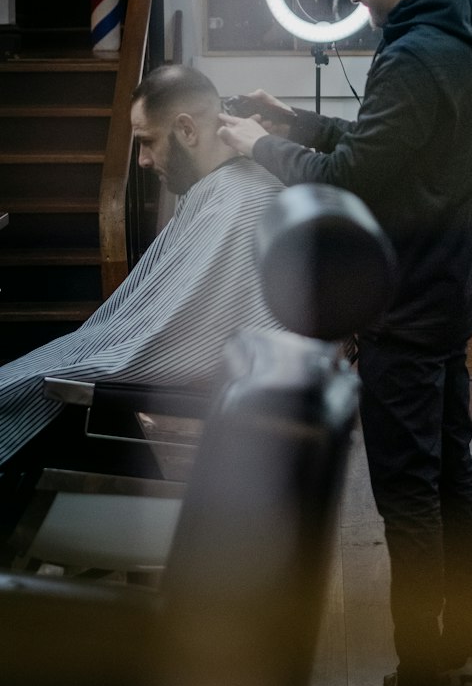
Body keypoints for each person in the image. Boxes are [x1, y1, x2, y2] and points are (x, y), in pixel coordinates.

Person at [218, 0, 472, 686]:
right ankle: (457, 666)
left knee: (411, 500)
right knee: (451, 479)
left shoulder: (412, 55)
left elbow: (354, 180)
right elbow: (386, 145)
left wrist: (251, 147)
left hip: (406, 303)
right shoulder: (461, 34)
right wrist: (288, 117)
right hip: (448, 290)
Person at [0, 65, 285, 526]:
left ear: (187, 130)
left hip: (218, 405)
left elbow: (179, 338)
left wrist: (94, 365)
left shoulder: (243, 202)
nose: (143, 161)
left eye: (147, 142)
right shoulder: (221, 189)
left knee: (47, 388)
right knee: (51, 383)